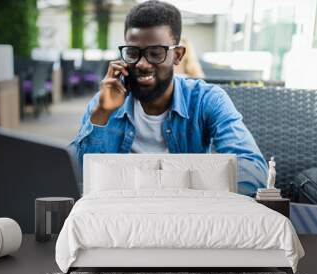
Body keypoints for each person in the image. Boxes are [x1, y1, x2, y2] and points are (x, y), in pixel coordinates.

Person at [69, 0, 267, 197]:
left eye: (155, 53)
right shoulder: (105, 102)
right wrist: (102, 113)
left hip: (186, 214)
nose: (142, 64)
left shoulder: (206, 100)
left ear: (178, 55)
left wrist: (184, 193)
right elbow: (76, 176)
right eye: (133, 53)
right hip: (122, 214)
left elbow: (253, 173)